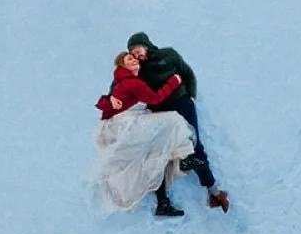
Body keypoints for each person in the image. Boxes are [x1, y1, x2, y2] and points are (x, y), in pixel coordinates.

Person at [127, 32, 228, 211]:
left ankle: (213, 192)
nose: (136, 55)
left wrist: (191, 97)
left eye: (138, 49)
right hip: (160, 112)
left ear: (146, 45)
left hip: (182, 104)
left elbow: (188, 74)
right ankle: (162, 203)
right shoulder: (137, 70)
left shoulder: (169, 55)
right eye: (132, 53)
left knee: (194, 144)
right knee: (159, 153)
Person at [92, 51, 195, 217]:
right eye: (129, 59)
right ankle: (185, 158)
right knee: (174, 121)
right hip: (128, 125)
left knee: (155, 152)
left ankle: (162, 202)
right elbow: (154, 99)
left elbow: (103, 103)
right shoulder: (132, 82)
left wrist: (109, 100)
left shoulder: (122, 81)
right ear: (122, 65)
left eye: (134, 58)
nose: (133, 60)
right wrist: (174, 81)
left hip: (122, 126)